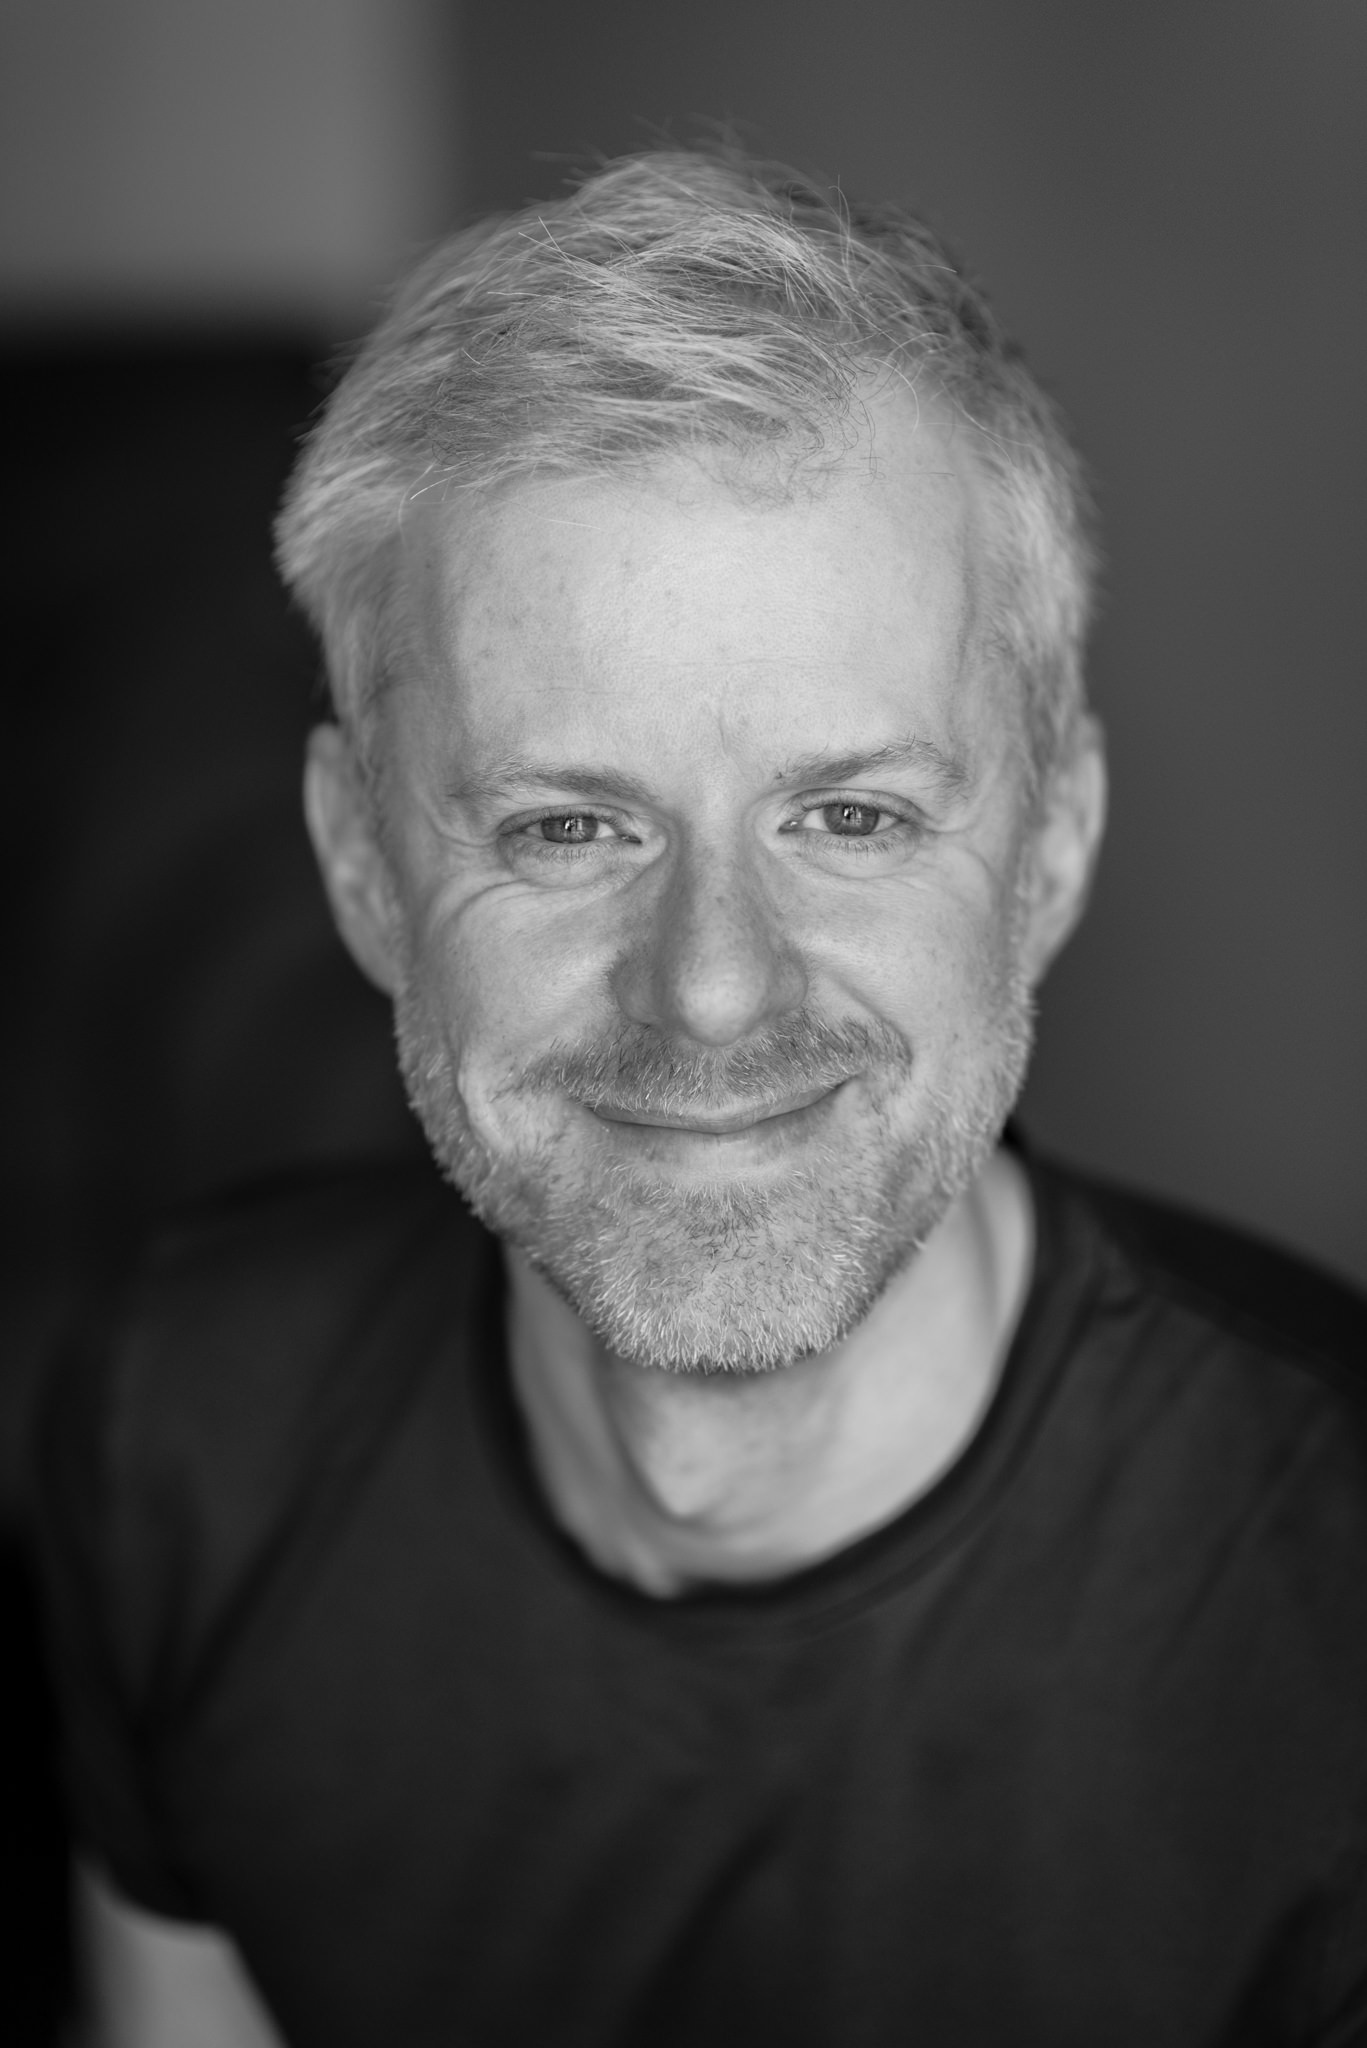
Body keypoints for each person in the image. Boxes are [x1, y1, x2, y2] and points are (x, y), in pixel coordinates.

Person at [39, 147, 1367, 2048]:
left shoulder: (1329, 1611)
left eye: (853, 816)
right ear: (361, 867)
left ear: (1053, 845)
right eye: (568, 826)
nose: (715, 986)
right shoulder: (178, 1430)